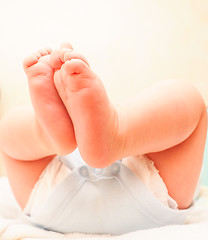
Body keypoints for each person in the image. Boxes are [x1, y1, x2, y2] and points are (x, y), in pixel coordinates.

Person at [0, 43, 207, 234]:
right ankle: (121, 130)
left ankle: (43, 135)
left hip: (49, 204)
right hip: (155, 199)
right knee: (191, 99)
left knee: (8, 132)